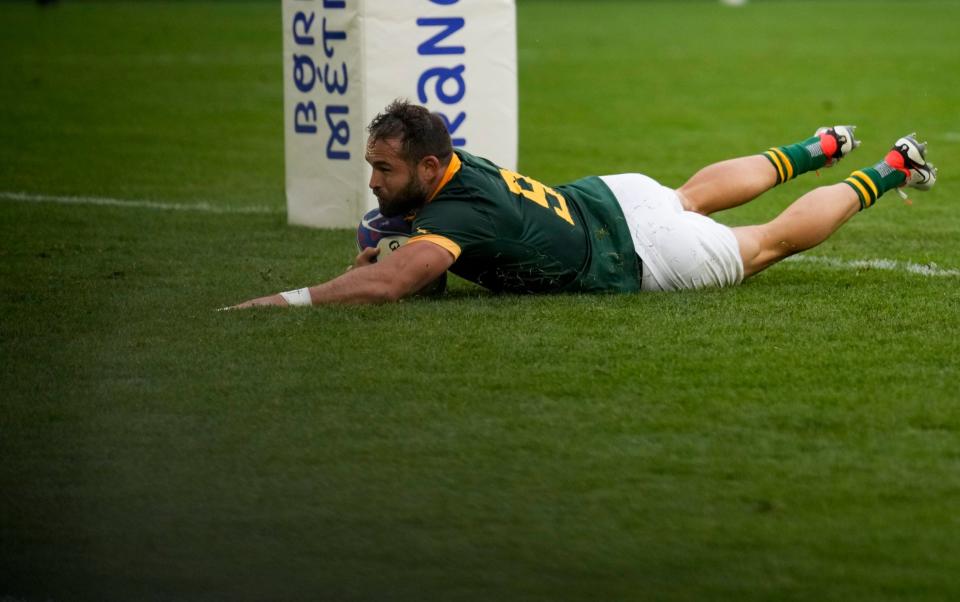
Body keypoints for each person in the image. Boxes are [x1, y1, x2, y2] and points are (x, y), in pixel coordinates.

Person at [228, 99, 937, 309]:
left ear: (429, 166)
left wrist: (282, 301)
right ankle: (818, 145)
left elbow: (389, 285)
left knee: (766, 245)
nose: (375, 181)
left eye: (384, 168)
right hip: (611, 197)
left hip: (638, 252)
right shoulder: (452, 164)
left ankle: (892, 165)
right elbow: (425, 260)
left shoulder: (453, 215)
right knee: (688, 195)